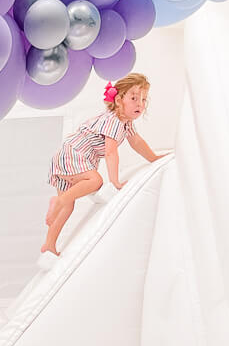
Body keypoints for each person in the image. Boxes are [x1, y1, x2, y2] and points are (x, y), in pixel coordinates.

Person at [42, 74, 163, 257]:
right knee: (95, 180)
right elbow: (110, 152)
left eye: (143, 99)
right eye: (134, 98)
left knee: (69, 206)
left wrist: (153, 158)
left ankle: (49, 244)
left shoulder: (125, 123)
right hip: (74, 154)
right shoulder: (114, 121)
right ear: (119, 100)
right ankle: (58, 202)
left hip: (67, 155)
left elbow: (136, 142)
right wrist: (114, 181)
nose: (140, 103)